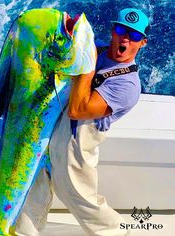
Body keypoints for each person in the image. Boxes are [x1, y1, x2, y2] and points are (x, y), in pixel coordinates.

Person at [15, 8, 149, 236]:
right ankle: (23, 232)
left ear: (142, 43)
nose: (125, 38)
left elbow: (77, 110)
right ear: (113, 31)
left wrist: (84, 62)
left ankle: (115, 232)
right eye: (120, 30)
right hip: (53, 125)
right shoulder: (102, 51)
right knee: (34, 182)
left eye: (134, 36)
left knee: (79, 197)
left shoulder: (128, 86)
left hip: (75, 143)